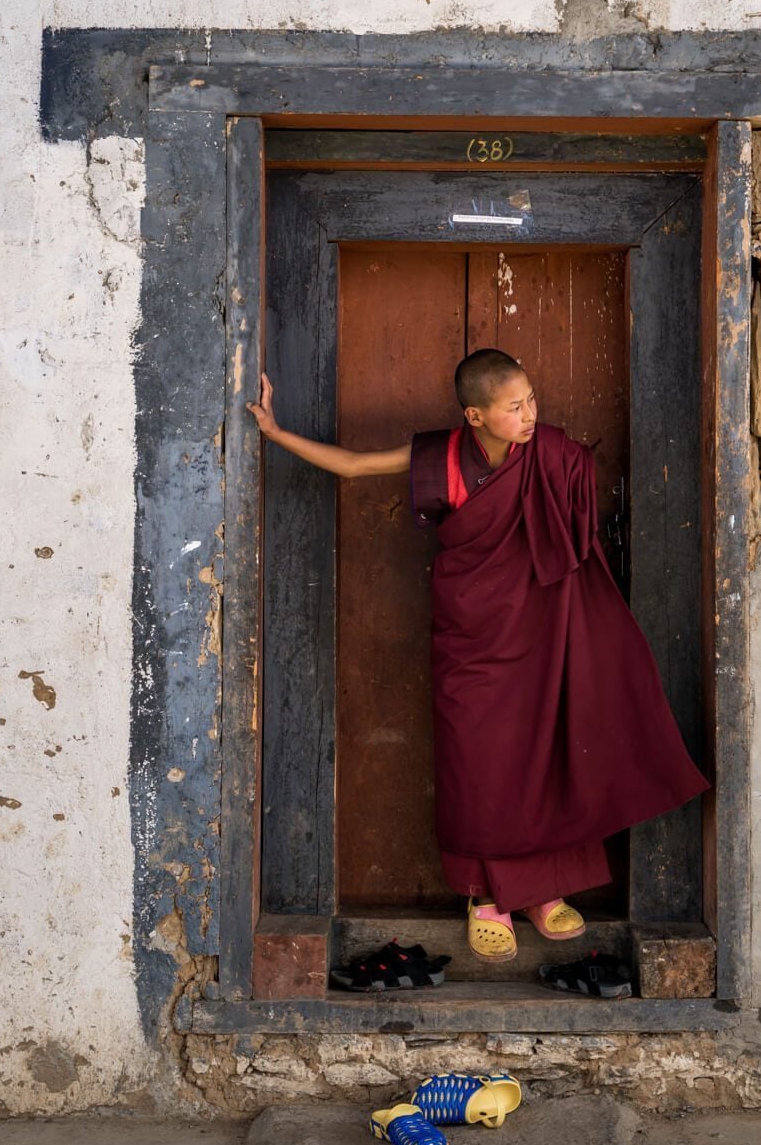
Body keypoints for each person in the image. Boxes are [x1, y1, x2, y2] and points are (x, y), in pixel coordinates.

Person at [248, 348, 708, 962]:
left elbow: (573, 544)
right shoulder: (440, 457)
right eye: (514, 407)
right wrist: (276, 434)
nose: (530, 415)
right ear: (475, 414)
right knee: (481, 760)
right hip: (474, 637)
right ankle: (486, 897)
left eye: (532, 401)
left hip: (545, 631)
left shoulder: (553, 456)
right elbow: (356, 467)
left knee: (551, 747)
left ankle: (546, 891)